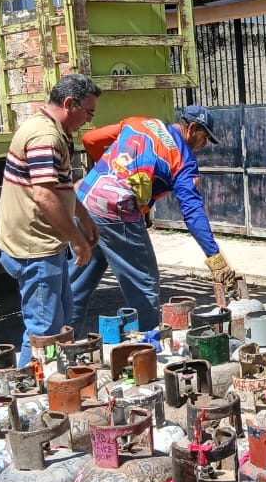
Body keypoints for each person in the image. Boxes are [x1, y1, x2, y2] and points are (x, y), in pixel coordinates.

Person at [69, 105, 239, 334]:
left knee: (76, 284)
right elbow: (192, 212)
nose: (204, 144)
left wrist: (115, 174)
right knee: (145, 285)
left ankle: (63, 344)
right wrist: (215, 258)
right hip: (118, 212)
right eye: (204, 136)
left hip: (85, 202)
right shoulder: (183, 159)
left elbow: (89, 139)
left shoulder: (140, 122)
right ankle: (148, 345)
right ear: (192, 128)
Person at [0, 74, 102, 366]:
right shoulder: (46, 137)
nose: (88, 121)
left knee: (59, 323)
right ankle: (30, 386)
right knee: (44, 331)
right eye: (88, 113)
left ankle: (46, 379)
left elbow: (60, 187)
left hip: (44, 245)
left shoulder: (50, 128)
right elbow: (44, 195)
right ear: (69, 104)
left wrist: (83, 216)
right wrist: (78, 241)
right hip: (35, 248)